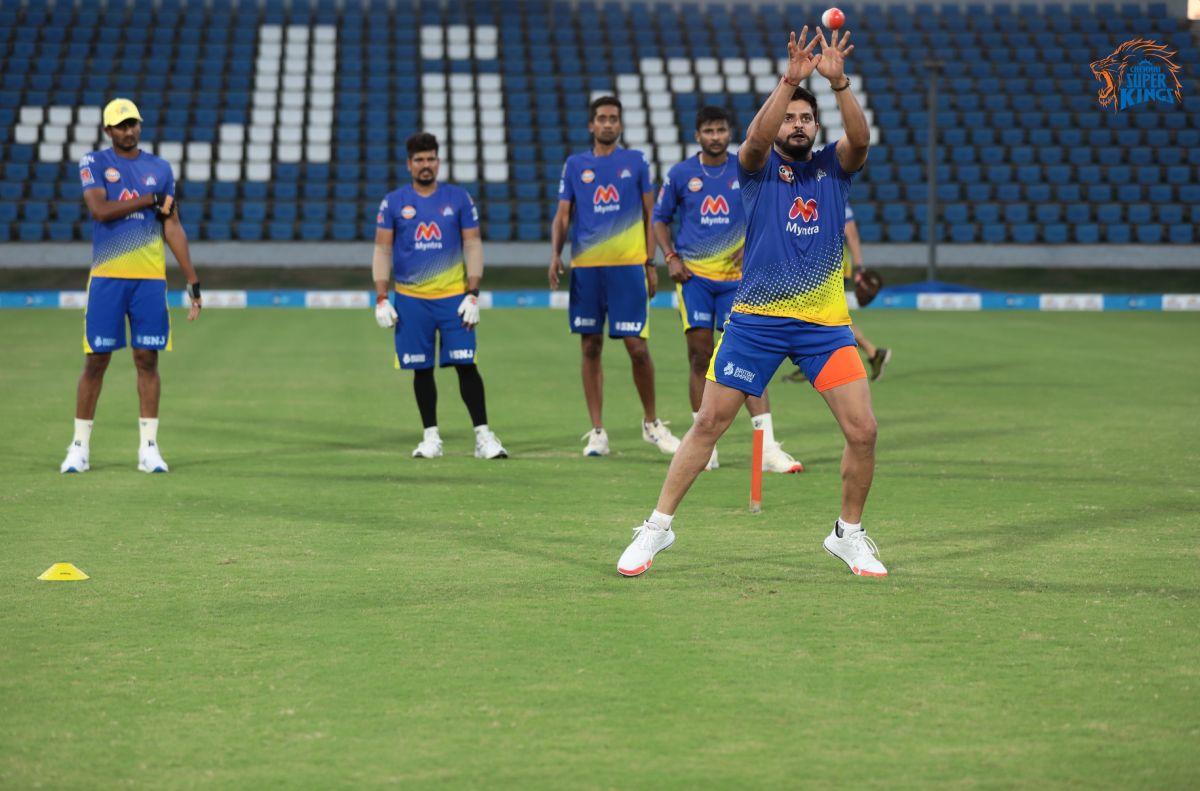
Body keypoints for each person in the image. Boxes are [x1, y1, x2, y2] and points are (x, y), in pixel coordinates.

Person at [617, 26, 887, 578]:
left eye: (805, 118)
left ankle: (849, 535)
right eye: (790, 115)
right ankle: (656, 529)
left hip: (823, 324)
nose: (797, 124)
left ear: (816, 126)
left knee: (863, 431)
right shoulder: (757, 169)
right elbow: (756, 141)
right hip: (757, 321)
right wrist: (790, 82)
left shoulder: (833, 167)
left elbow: (859, 142)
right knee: (710, 422)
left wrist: (837, 86)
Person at [654, 105, 803, 474]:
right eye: (709, 130)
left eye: (721, 130)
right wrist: (670, 256)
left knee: (751, 358)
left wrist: (753, 247)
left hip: (741, 282)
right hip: (694, 280)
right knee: (699, 357)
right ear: (697, 135)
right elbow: (659, 219)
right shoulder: (681, 174)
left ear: (729, 133)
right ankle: (705, 448)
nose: (715, 136)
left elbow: (773, 211)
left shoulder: (747, 166)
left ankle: (767, 449)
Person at [60, 98, 202, 475]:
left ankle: (149, 448)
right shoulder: (94, 163)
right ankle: (79, 447)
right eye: (121, 125)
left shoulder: (160, 168)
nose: (129, 130)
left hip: (150, 280)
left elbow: (172, 225)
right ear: (108, 130)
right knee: (96, 361)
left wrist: (192, 279)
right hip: (107, 278)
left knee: (147, 360)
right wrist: (150, 200)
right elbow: (100, 210)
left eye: (133, 123)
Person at [548, 96, 680, 458]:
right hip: (587, 269)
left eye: (614, 119)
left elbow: (652, 212)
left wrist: (650, 262)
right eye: (602, 119)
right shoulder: (575, 165)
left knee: (637, 347)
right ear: (591, 125)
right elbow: (563, 215)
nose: (608, 124)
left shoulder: (635, 162)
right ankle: (597, 432)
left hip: (628, 268)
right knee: (590, 346)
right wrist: (555, 254)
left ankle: (651, 424)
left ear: (620, 125)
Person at [372, 132, 506, 460]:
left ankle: (483, 437)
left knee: (466, 365)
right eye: (419, 160)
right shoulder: (394, 201)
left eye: (431, 158)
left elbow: (473, 244)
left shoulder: (458, 198)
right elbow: (382, 249)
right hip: (411, 299)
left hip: (453, 299)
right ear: (409, 165)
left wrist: (473, 293)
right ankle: (431, 437)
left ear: (438, 161)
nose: (426, 165)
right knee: (422, 370)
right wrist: (381, 296)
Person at [784, 202, 890, 382]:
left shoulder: (832, 196)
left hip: (829, 267)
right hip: (817, 265)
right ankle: (871, 353)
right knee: (818, 315)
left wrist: (859, 267)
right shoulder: (826, 193)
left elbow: (852, 235)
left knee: (821, 316)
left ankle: (871, 353)